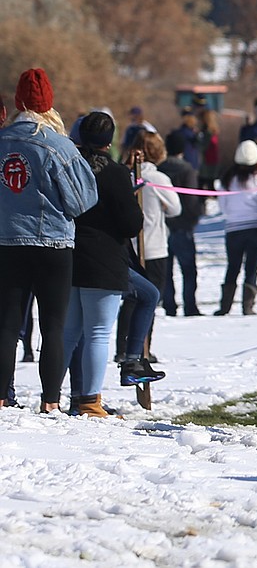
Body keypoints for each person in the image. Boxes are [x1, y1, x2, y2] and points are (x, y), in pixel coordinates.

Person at [0, 69, 98, 411]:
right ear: (48, 105)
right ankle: (50, 401)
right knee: (53, 326)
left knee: (7, 323)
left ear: (18, 103)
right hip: (52, 244)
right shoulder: (58, 145)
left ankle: (1, 395)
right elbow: (82, 201)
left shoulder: (1, 140)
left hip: (7, 242)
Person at [62, 111, 144, 417]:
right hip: (105, 259)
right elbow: (130, 223)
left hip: (71, 253)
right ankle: (90, 401)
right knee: (97, 333)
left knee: (68, 333)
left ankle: (51, 395)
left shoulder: (71, 166)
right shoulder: (114, 173)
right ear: (109, 140)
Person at [115, 130, 179, 377]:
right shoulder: (158, 178)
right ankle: (141, 349)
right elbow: (175, 208)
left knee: (131, 301)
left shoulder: (125, 176)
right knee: (149, 299)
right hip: (152, 246)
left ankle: (125, 347)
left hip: (131, 246)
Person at [215, 140, 257, 315]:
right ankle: (248, 306)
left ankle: (225, 306)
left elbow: (222, 207)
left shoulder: (227, 179)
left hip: (234, 229)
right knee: (251, 267)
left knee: (233, 266)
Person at [158, 130, 205, 316]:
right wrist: (193, 219)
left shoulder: (159, 169)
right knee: (188, 269)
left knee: (166, 270)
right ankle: (190, 305)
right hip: (183, 227)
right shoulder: (187, 170)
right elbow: (192, 200)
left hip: (163, 226)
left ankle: (169, 304)